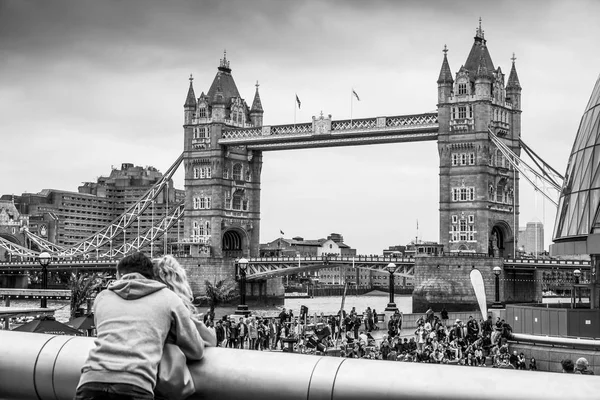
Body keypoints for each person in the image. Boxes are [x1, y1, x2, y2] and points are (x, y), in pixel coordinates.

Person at [75, 252, 205, 400]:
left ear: (119, 275)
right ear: (150, 277)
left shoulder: (102, 297)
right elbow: (196, 350)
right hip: (136, 384)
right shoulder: (170, 298)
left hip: (90, 380)